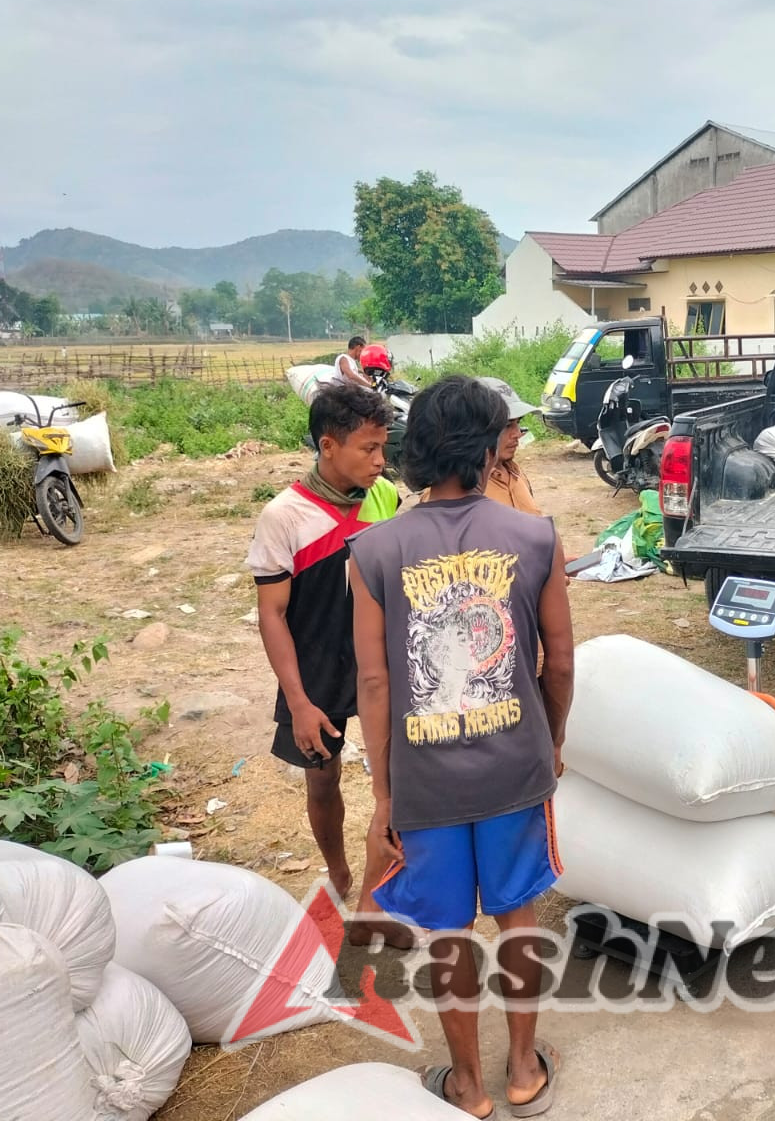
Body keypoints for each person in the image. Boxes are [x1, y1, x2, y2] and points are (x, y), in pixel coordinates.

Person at [348, 375, 574, 1119]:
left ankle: (468, 1087)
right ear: (485, 450)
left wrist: (385, 795)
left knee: (448, 934)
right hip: (514, 769)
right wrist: (552, 740)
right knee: (517, 916)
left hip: (425, 786)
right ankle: (523, 1073)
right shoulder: (534, 536)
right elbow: (560, 662)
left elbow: (374, 684)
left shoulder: (374, 550)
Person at [248, 384, 401, 936]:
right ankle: (337, 871)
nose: (381, 461)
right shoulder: (283, 517)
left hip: (380, 664)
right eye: (369, 449)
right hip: (315, 668)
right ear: (329, 445)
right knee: (323, 776)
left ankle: (374, 897)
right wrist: (299, 700)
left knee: (398, 778)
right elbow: (272, 614)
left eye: (384, 447)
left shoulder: (384, 497)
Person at [477, 376, 544, 515]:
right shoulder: (457, 494)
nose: (517, 434)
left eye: (518, 423)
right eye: (507, 425)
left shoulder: (515, 473)